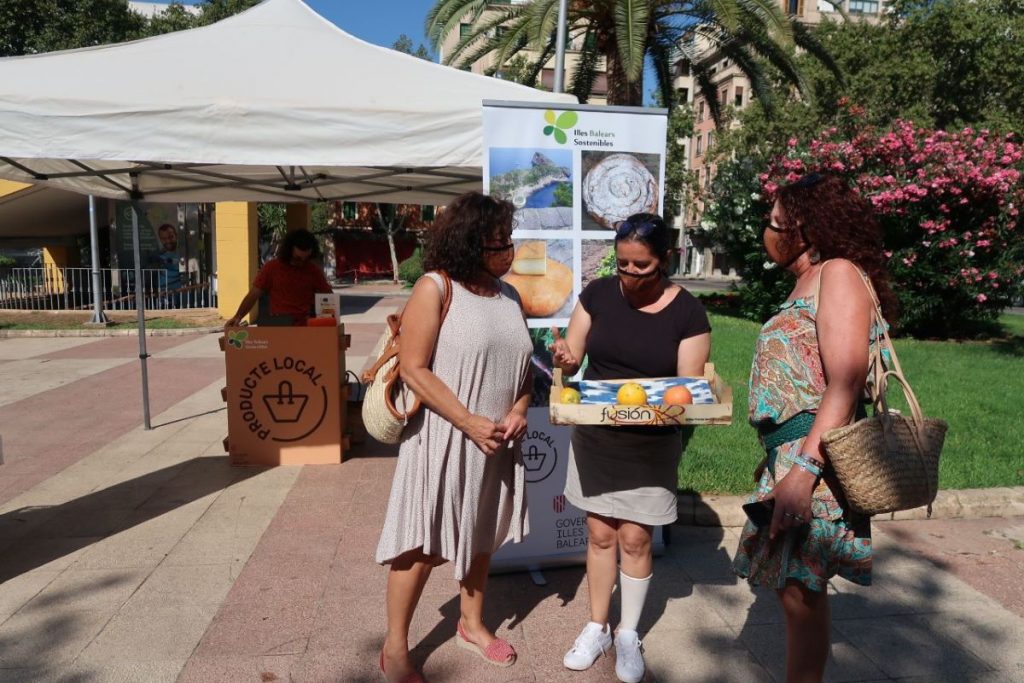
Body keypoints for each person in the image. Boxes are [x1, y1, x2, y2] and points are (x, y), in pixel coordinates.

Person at [732, 173, 897, 683]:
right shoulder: (808, 279)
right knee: (795, 588)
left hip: (815, 457)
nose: (768, 231)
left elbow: (844, 383)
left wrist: (803, 471)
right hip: (791, 454)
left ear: (804, 229)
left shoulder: (839, 273)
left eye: (775, 222)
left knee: (800, 589)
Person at [375, 192, 532, 683]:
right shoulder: (435, 288)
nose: (506, 250)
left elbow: (525, 371)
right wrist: (468, 421)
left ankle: (471, 624)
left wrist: (519, 410)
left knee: (482, 533)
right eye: (496, 242)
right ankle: (395, 647)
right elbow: (414, 368)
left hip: (497, 442)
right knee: (422, 543)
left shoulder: (509, 297)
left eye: (508, 240)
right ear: (468, 241)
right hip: (444, 437)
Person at [549, 213, 711, 683]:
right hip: (597, 433)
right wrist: (565, 357)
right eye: (622, 264)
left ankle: (628, 632)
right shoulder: (597, 295)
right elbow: (574, 355)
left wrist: (659, 405)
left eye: (642, 266)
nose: (630, 275)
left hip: (652, 440)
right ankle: (598, 625)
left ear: (664, 261)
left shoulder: (688, 312)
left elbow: (685, 389)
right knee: (599, 533)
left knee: (636, 537)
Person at [224, 229, 332, 327]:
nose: (301, 263)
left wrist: (328, 322)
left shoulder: (312, 270)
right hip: (278, 326)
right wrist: (238, 317)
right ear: (289, 251)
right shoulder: (272, 268)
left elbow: (328, 297)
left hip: (304, 328)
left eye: (306, 259)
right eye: (297, 258)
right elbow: (254, 294)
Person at [154, 223, 181, 308]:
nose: (168, 241)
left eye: (171, 237)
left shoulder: (184, 253)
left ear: (176, 235)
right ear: (160, 239)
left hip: (183, 295)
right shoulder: (158, 256)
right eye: (164, 239)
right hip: (164, 296)